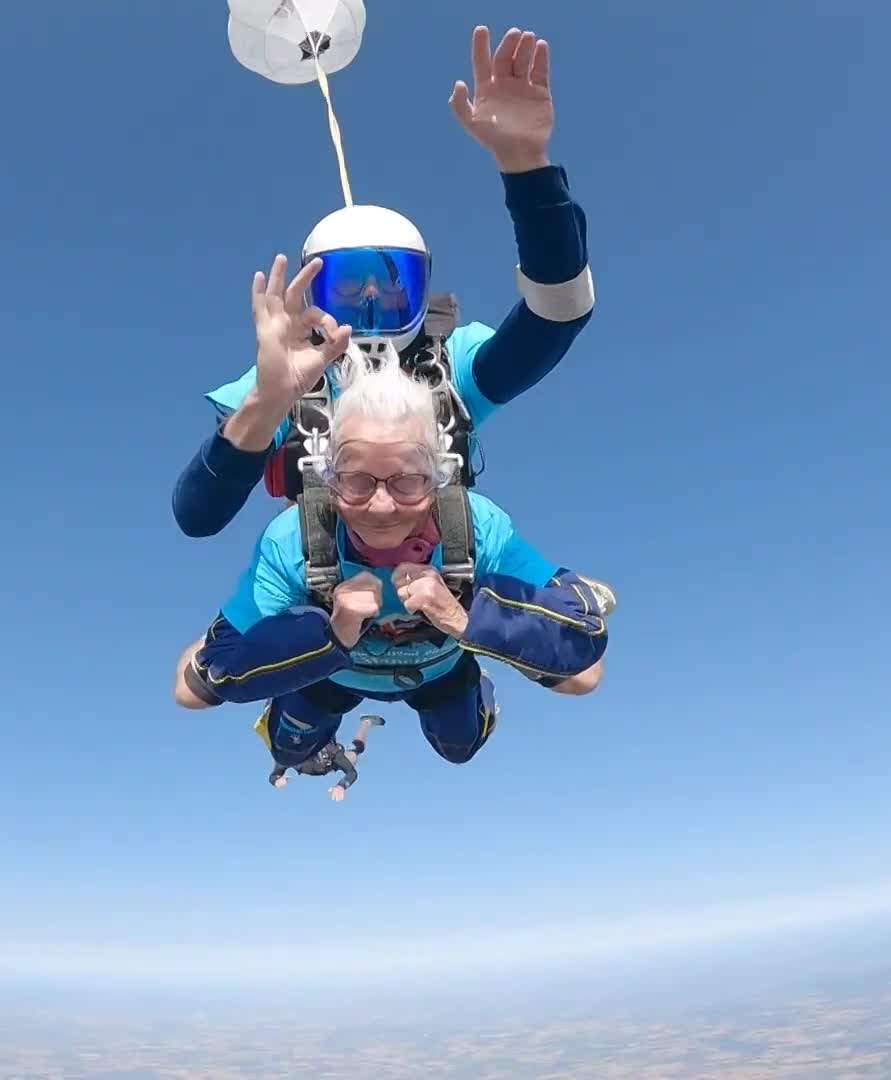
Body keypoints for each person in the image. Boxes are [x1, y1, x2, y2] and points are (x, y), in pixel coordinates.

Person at [171, 24, 597, 539]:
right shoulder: (289, 374)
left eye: (391, 282)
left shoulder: (450, 364)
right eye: (349, 286)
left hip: (441, 594)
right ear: (313, 292)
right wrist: (268, 401)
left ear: (422, 286)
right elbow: (197, 514)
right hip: (320, 601)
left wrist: (526, 165)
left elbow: (556, 315)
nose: (371, 296)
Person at [172, 328, 610, 768]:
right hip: (327, 671)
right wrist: (326, 632)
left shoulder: (475, 528)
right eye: (356, 481)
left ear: (439, 478)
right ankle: (289, 670)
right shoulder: (295, 540)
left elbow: (585, 672)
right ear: (328, 480)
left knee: (459, 745)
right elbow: (192, 688)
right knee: (290, 748)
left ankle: (486, 670)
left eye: (408, 482)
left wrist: (465, 616)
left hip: (440, 670)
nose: (381, 507)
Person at [261, 713, 385, 802]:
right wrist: (277, 781)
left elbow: (352, 773)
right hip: (315, 754)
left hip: (330, 761)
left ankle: (365, 722)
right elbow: (273, 776)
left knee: (356, 751)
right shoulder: (288, 755)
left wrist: (342, 785)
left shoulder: (330, 750)